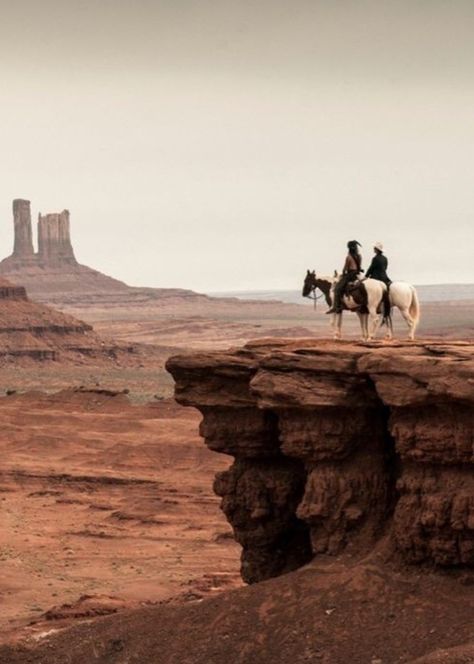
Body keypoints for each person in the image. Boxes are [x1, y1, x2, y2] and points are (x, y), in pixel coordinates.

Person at [326, 240, 363, 314]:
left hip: (350, 275)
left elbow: (345, 269)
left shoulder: (348, 257)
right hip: (358, 274)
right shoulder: (359, 256)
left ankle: (335, 307)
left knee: (337, 289)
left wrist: (343, 274)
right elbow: (359, 266)